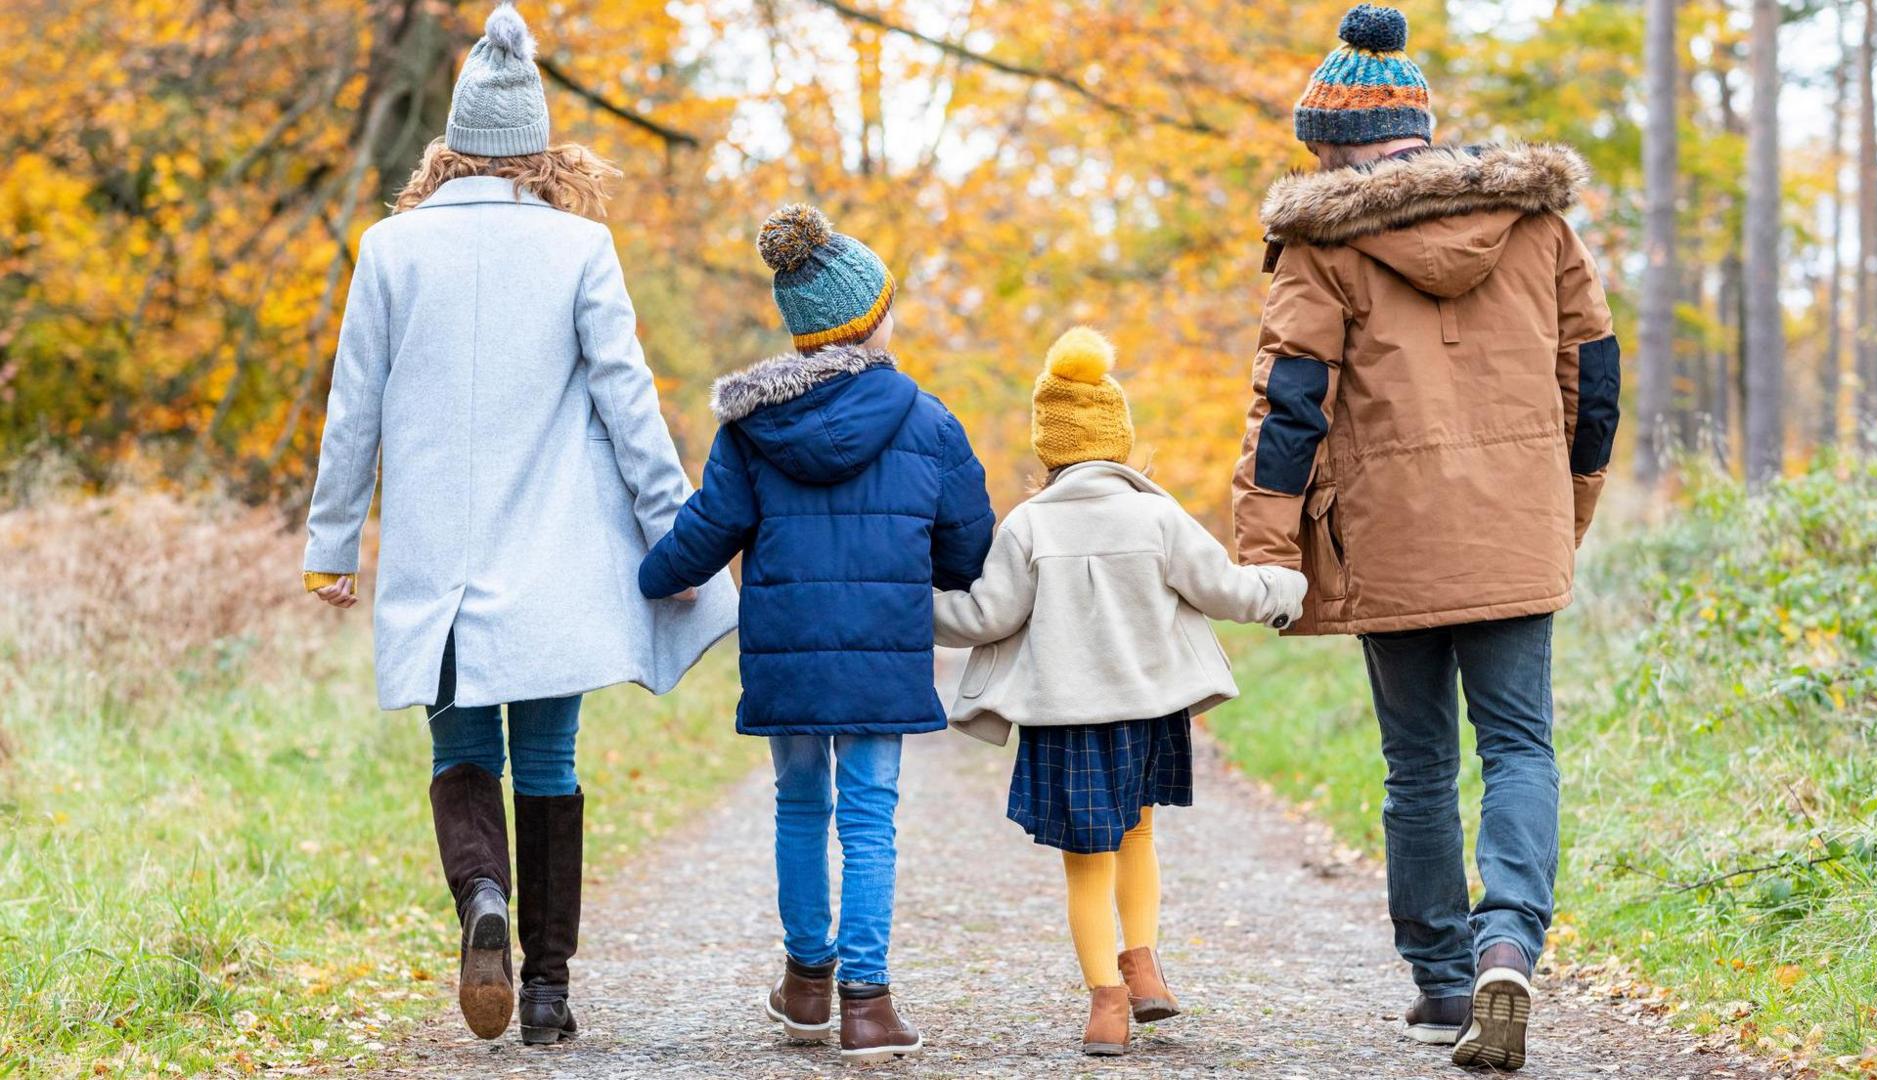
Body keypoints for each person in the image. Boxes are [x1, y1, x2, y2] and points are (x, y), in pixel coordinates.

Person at [301, 1, 737, 1046]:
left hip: (437, 566)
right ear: (539, 150)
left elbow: (351, 411)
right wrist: (676, 539)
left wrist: (329, 549)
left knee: (460, 752)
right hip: (551, 564)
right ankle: (546, 991)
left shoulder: (390, 250)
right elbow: (632, 408)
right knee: (550, 763)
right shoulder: (581, 248)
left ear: (451, 148)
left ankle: (482, 899)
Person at [1231, 3, 1620, 1070]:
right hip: (1515, 522)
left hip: (1387, 540)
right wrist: (1563, 507)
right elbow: (1595, 385)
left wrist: (1266, 551)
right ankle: (1509, 944)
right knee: (1519, 747)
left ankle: (1447, 979)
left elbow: (1289, 412)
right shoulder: (1541, 226)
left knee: (1416, 764)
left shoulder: (1323, 248)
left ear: (1335, 146)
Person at [637, 204, 995, 1062]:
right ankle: (867, 1007)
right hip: (880, 656)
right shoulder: (929, 422)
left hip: (789, 659)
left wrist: (652, 581)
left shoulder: (751, 430)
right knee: (871, 820)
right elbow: (969, 549)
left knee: (801, 808)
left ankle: (805, 988)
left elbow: (703, 534)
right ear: (875, 318)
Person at [933, 327, 1306, 1056]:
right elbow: (1226, 588)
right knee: (1139, 834)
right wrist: (1285, 588)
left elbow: (986, 616)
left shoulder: (1029, 525)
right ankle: (1147, 966)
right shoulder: (1157, 514)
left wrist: (907, 609)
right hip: (1147, 713)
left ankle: (1108, 1001)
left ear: (1050, 447)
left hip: (1065, 721)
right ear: (1120, 439)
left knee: (1085, 861)